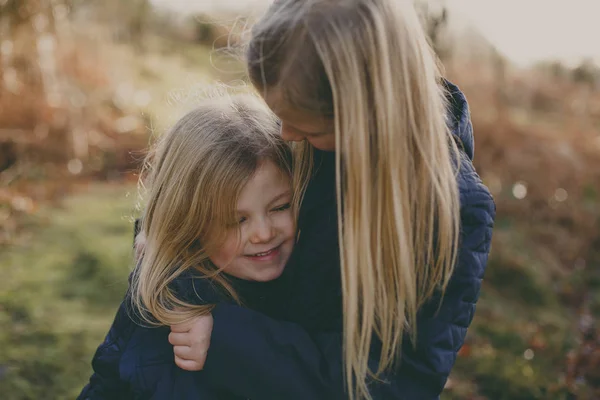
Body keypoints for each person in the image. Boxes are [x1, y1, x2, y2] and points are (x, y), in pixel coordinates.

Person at [167, 0, 496, 399]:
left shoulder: (451, 213)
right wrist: (172, 245)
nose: (286, 134)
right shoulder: (313, 142)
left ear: (364, 112)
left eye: (306, 124)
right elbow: (228, 215)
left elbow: (394, 384)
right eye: (278, 114)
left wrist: (229, 340)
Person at [78, 93, 299, 399]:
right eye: (236, 220)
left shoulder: (310, 285)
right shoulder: (161, 301)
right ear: (189, 223)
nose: (263, 233)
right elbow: (109, 381)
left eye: (280, 207)